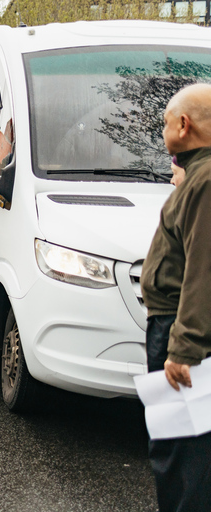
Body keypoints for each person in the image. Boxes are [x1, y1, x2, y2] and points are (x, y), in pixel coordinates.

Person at [141, 83, 211, 511]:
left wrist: (183, 347)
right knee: (180, 447)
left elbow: (203, 268)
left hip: (177, 333)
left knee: (181, 452)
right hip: (173, 326)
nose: (163, 130)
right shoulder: (198, 175)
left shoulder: (205, 181)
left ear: (183, 125)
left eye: (165, 123)